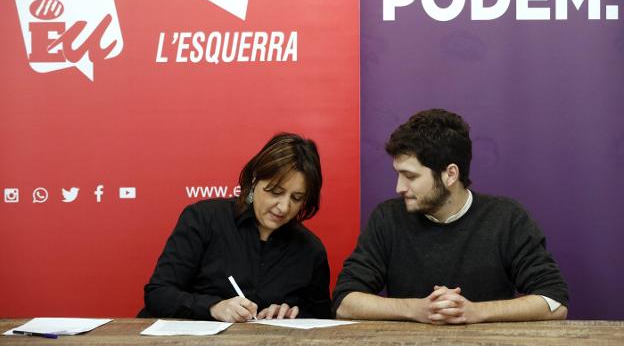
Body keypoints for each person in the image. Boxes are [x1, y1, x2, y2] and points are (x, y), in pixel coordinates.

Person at [333, 109, 569, 324]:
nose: (399, 187)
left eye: (410, 176)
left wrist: (475, 312)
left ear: (450, 174)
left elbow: (554, 302)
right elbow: (345, 302)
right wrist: (418, 309)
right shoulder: (388, 218)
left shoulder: (507, 219)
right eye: (398, 174)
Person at [141, 133, 331, 322]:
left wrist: (292, 315)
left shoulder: (310, 250)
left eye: (296, 198)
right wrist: (213, 307)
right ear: (255, 179)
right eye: (275, 192)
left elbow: (322, 320)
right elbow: (158, 294)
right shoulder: (204, 219)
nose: (283, 207)